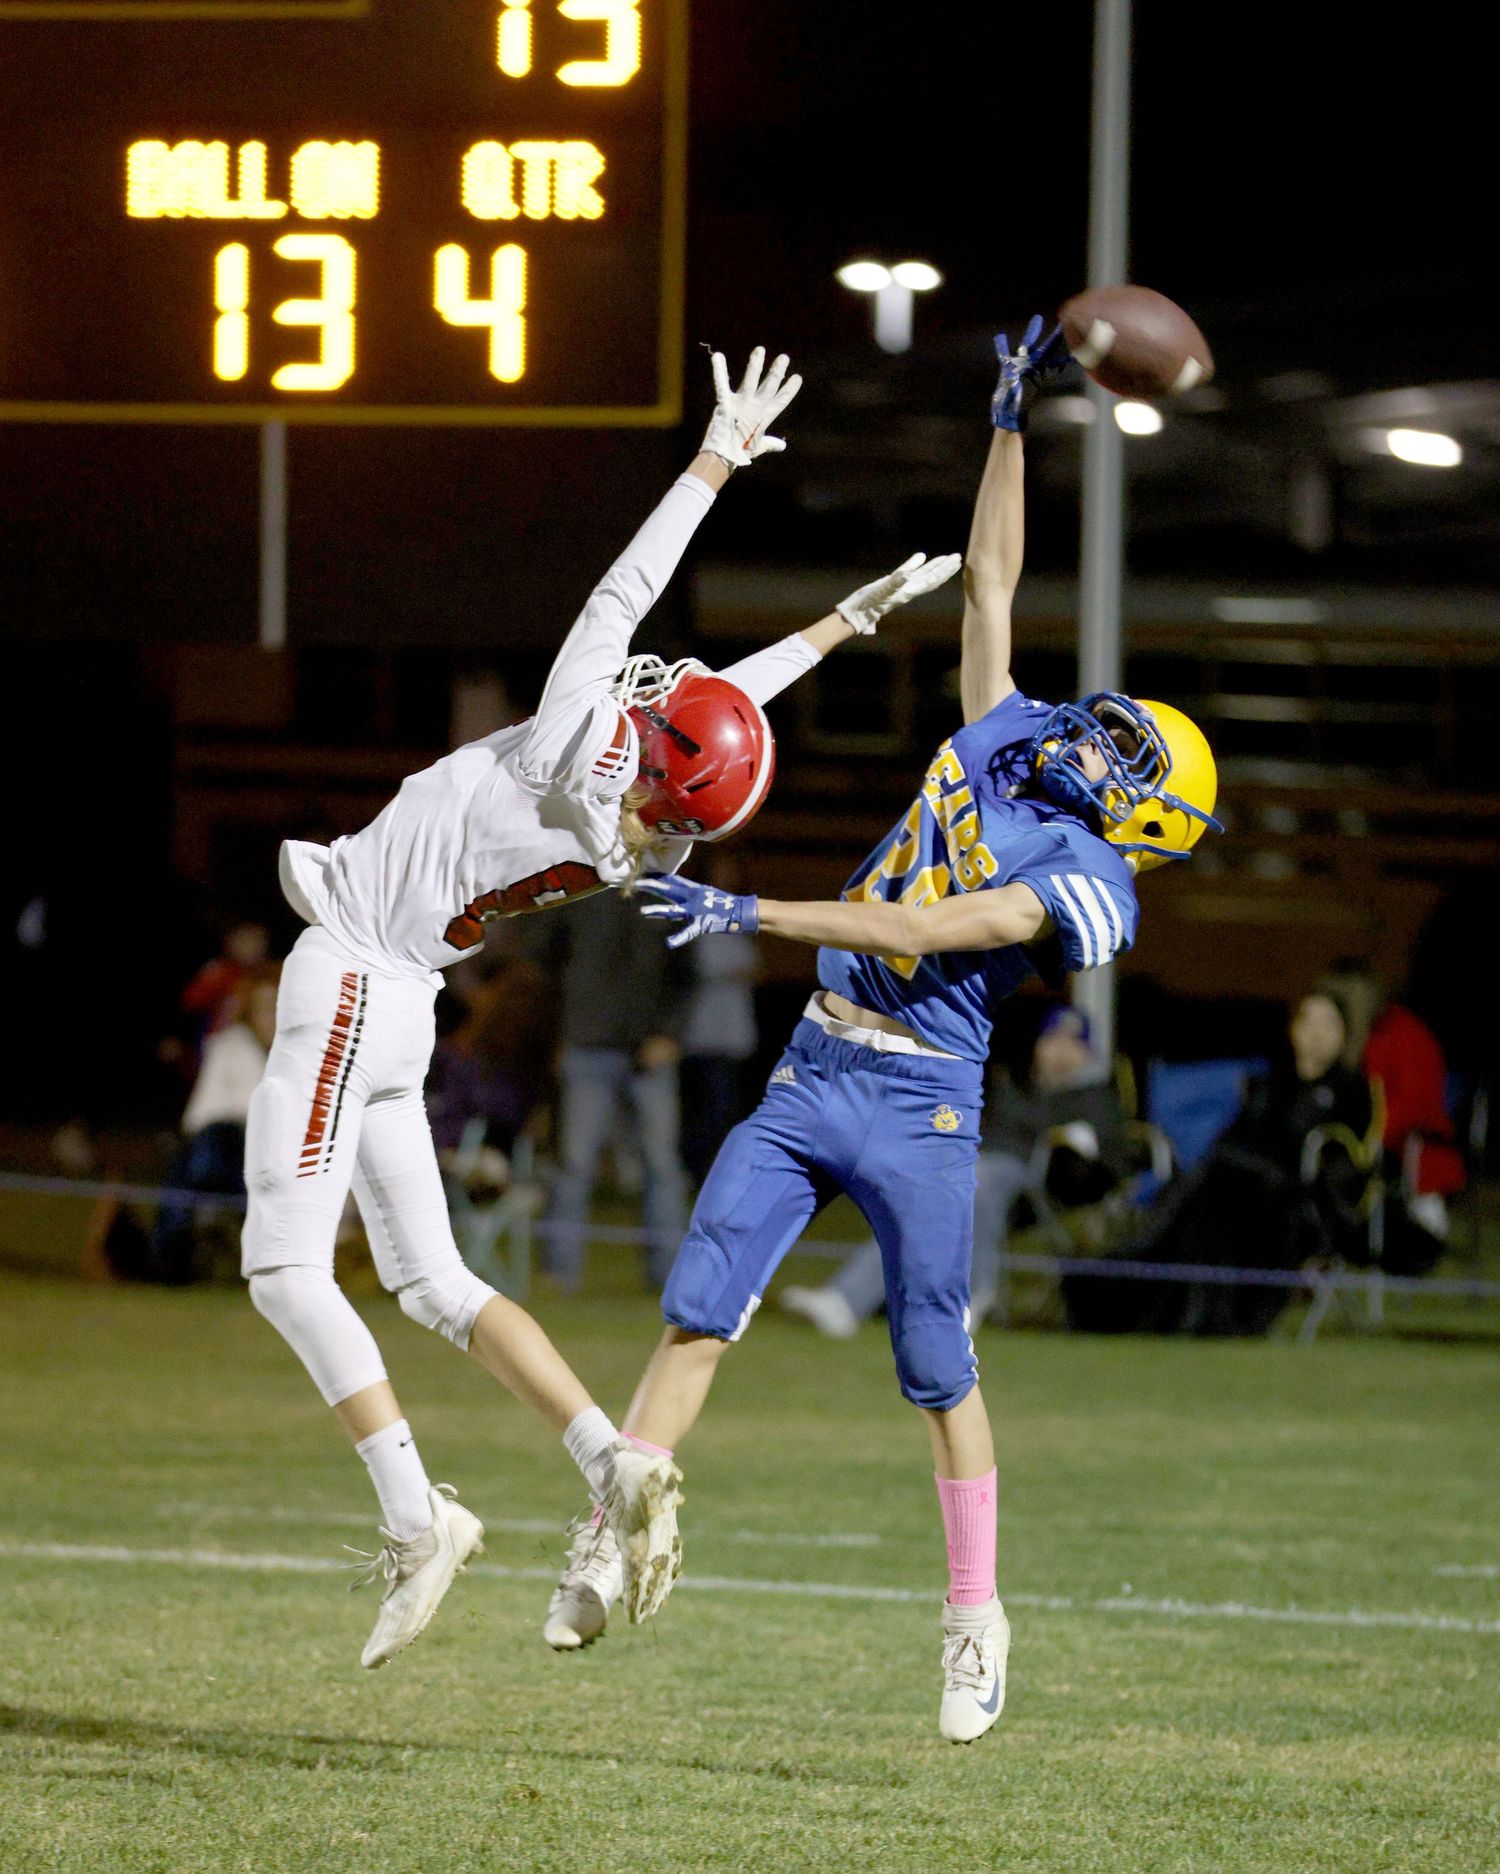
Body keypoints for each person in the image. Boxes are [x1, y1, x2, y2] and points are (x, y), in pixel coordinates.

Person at [541, 318, 1222, 1744]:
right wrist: (1010, 419)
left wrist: (748, 913)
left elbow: (922, 932)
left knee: (936, 1361)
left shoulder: (1086, 881)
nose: (1100, 742)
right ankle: (615, 1522)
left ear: (1142, 821)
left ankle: (976, 1613)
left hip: (921, 1104)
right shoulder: (1006, 737)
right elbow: (989, 583)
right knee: (699, 1298)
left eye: (1129, 761)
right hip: (815, 1067)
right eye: (1119, 730)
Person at [240, 346, 962, 1671]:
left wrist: (715, 459)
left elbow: (627, 588)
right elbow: (724, 720)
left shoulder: (582, 735)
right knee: (434, 1280)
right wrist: (840, 628)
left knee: (285, 1267)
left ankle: (418, 1517)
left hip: (352, 974)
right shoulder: (656, 836)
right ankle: (608, 1459)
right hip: (399, 997)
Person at [781, 1002, 1127, 1336]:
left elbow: (1106, 1162)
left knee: (975, 1180)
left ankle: (973, 1292)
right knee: (917, 1203)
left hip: (1040, 1191)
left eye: (1072, 1044)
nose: (1061, 1052)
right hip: (973, 1176)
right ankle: (844, 1302)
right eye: (1054, 1041)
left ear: (1087, 1052)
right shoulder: (1015, 1084)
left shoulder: (1095, 1097)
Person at [1066, 990, 1375, 1336]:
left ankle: (1200, 1311)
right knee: (1198, 1199)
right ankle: (1118, 1290)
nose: (1317, 1033)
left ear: (1344, 1034)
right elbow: (1235, 1136)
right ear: (1294, 1029)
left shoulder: (1352, 1091)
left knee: (1215, 1196)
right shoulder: (1269, 1083)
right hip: (1226, 1186)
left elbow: (1342, 1167)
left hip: (1289, 1205)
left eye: (1328, 1024)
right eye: (1309, 1022)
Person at [535, 888, 693, 1291]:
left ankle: (668, 1277)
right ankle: (559, 1273)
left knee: (661, 1167)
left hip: (650, 1049)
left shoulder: (666, 897)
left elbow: (687, 975)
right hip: (586, 1044)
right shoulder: (578, 893)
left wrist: (671, 1034)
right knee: (573, 1164)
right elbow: (539, 957)